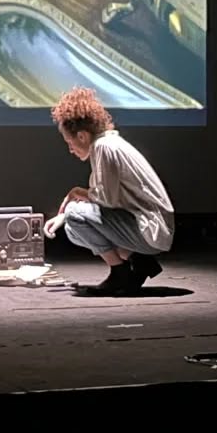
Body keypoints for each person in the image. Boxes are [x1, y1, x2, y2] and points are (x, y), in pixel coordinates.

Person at [45, 86, 174, 295]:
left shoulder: (104, 147)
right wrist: (63, 215)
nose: (70, 150)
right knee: (72, 229)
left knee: (74, 215)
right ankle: (139, 260)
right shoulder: (107, 144)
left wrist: (77, 194)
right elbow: (106, 200)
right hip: (145, 225)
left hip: (150, 229)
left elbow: (107, 200)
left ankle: (120, 272)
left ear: (82, 136)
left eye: (70, 142)